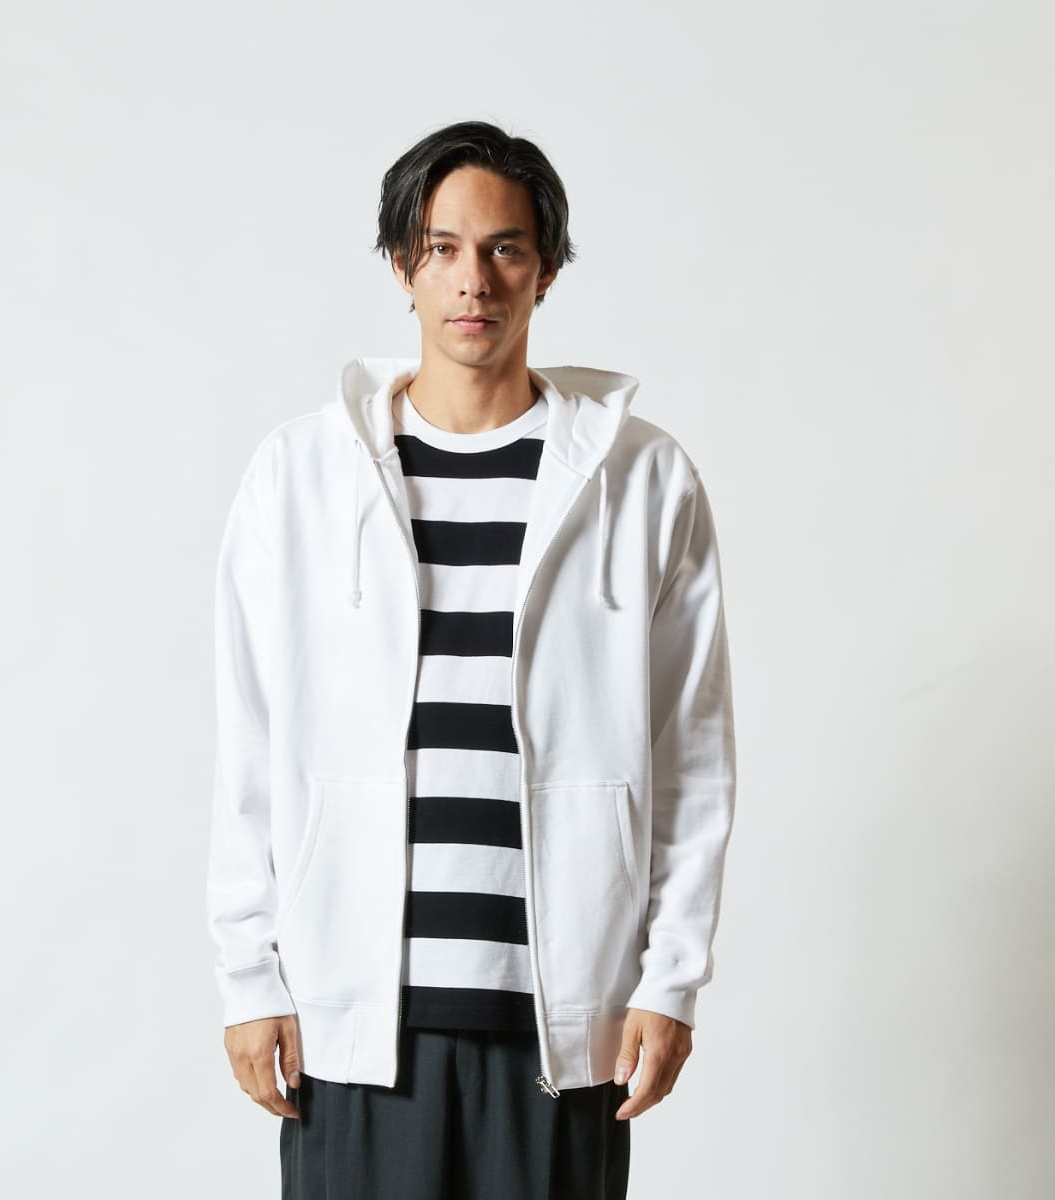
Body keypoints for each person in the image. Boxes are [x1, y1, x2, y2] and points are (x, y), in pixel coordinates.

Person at [206, 120, 737, 1199]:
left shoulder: (643, 480)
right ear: (402, 265)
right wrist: (247, 974)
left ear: (547, 268)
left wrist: (671, 979)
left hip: (562, 1016)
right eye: (442, 249)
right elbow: (249, 738)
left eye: (505, 249)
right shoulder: (300, 476)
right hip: (351, 1016)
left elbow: (692, 752)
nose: (473, 280)